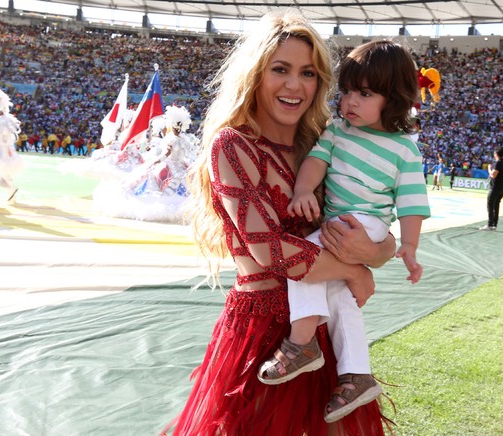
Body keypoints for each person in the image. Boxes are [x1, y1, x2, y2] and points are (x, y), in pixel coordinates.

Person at [166, 10, 397, 435]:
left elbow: (373, 218)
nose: (295, 85)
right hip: (263, 336)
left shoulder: (325, 143)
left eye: (308, 73)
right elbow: (270, 251)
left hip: (317, 332)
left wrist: (382, 251)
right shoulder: (232, 145)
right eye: (280, 70)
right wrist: (353, 269)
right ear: (255, 74)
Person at [257, 40, 430, 423]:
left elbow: (412, 202)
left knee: (306, 255)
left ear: (395, 98)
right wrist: (303, 190)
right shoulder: (337, 130)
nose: (350, 101)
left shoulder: (404, 150)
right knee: (340, 295)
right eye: (348, 91)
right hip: (338, 221)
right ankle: (356, 374)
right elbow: (316, 163)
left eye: (365, 93)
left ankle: (301, 342)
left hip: (363, 223)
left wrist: (410, 246)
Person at [479, 147, 503, 230]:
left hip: (495, 187)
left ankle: (490, 224)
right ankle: (494, 224)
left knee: (490, 205)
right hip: (501, 188)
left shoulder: (498, 163)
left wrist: (489, 169)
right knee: (496, 206)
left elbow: (493, 175)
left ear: (496, 154)